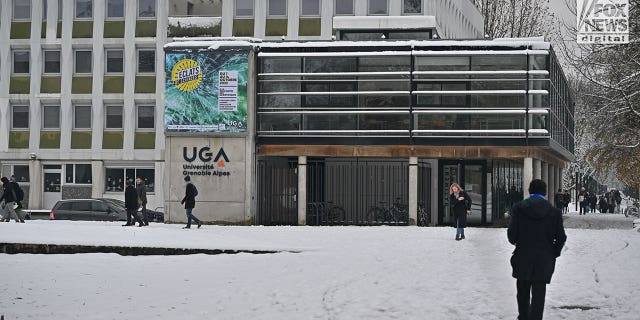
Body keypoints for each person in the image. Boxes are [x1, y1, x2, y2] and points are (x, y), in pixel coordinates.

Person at [508, 179, 567, 320]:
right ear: (545, 192)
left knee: (522, 291)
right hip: (544, 258)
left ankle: (523, 316)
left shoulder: (518, 208)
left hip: (523, 255)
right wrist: (553, 253)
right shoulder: (554, 212)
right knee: (539, 293)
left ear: (529, 191)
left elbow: (512, 236)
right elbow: (561, 237)